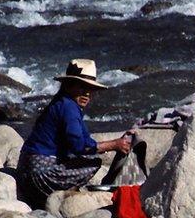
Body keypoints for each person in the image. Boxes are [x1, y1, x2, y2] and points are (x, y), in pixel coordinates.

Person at [16, 59, 131, 208]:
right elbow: (79, 145)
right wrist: (114, 145)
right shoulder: (69, 108)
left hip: (25, 168)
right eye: (82, 87)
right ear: (69, 86)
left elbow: (83, 140)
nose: (87, 94)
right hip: (40, 174)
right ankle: (60, 196)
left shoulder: (61, 102)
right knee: (94, 162)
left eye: (90, 89)